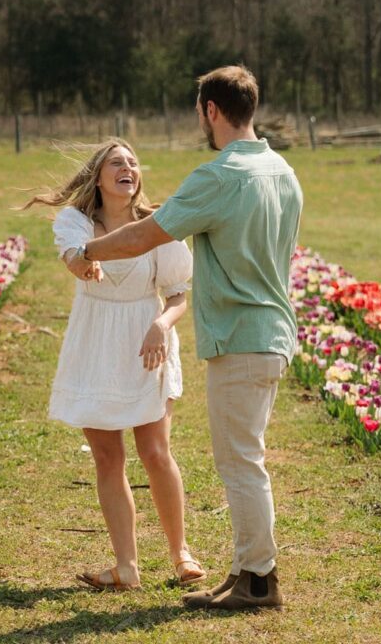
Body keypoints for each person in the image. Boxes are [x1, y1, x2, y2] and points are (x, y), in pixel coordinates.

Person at [70, 66, 303, 611]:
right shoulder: (283, 171)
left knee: (241, 461)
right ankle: (246, 569)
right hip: (273, 330)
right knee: (245, 456)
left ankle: (258, 582)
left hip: (241, 336)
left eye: (200, 111)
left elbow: (145, 235)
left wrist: (87, 252)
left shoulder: (218, 176)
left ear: (211, 111)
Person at [25, 138, 205, 590]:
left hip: (146, 338)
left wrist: (162, 325)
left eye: (132, 161)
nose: (128, 167)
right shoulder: (76, 222)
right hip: (95, 341)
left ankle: (181, 553)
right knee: (108, 457)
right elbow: (74, 261)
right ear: (99, 177)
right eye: (116, 162)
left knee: (155, 452)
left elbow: (180, 294)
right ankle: (126, 566)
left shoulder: (158, 226)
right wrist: (86, 263)